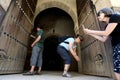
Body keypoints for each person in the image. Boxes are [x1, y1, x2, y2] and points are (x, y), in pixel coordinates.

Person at [83, 8, 120, 80]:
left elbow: (106, 32)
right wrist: (89, 33)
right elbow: (103, 39)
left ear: (105, 13)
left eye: (99, 14)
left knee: (117, 70)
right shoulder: (107, 26)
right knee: (117, 69)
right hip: (116, 47)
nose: (97, 17)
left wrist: (90, 31)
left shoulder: (115, 17)